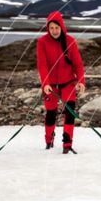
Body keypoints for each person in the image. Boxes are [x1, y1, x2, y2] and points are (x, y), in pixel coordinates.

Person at [36, 10, 86, 154]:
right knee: (51, 112)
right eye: (51, 28)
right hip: (50, 85)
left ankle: (67, 144)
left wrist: (81, 81)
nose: (54, 31)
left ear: (61, 27)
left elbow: (78, 64)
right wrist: (45, 83)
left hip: (68, 82)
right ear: (48, 28)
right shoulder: (42, 42)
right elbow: (42, 65)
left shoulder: (70, 41)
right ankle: (48, 141)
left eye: (56, 27)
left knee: (69, 112)